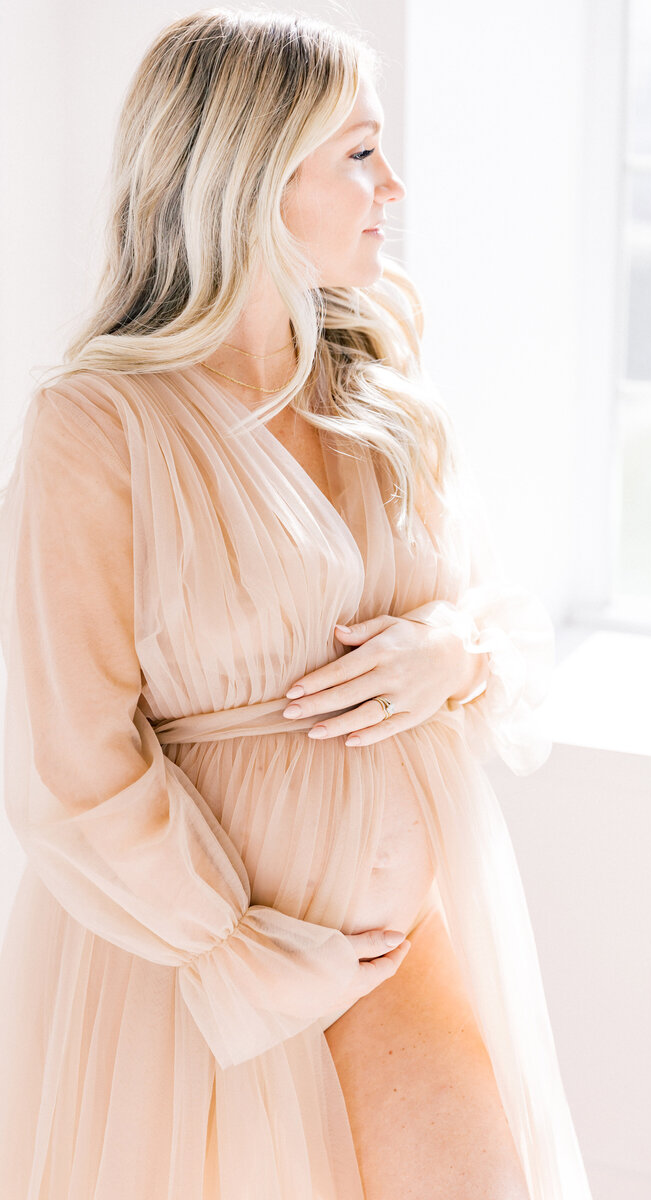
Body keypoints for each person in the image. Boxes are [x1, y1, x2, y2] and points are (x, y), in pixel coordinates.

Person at [0, 9, 593, 1199]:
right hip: (198, 982)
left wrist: (452, 647)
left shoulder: (373, 371)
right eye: (360, 153)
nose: (396, 185)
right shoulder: (97, 426)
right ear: (252, 173)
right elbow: (69, 758)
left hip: (399, 943)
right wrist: (240, 953)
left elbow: (492, 604)